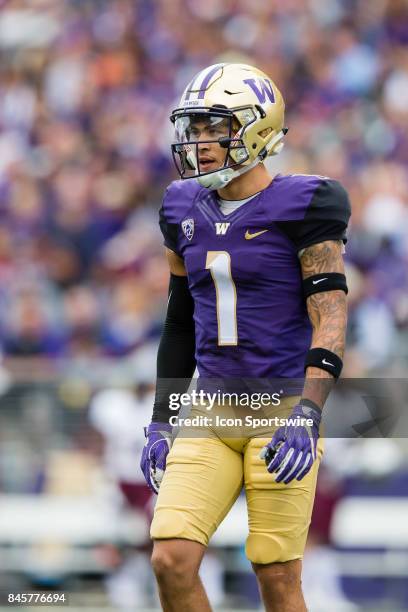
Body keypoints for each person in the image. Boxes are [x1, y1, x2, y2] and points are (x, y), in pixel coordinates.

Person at [140, 63, 350, 612]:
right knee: (170, 559)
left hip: (280, 406)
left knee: (277, 576)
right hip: (211, 407)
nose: (200, 143)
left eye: (215, 128)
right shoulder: (180, 206)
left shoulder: (307, 201)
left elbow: (329, 314)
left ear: (258, 128)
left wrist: (309, 411)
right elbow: (180, 319)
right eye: (194, 128)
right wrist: (163, 417)